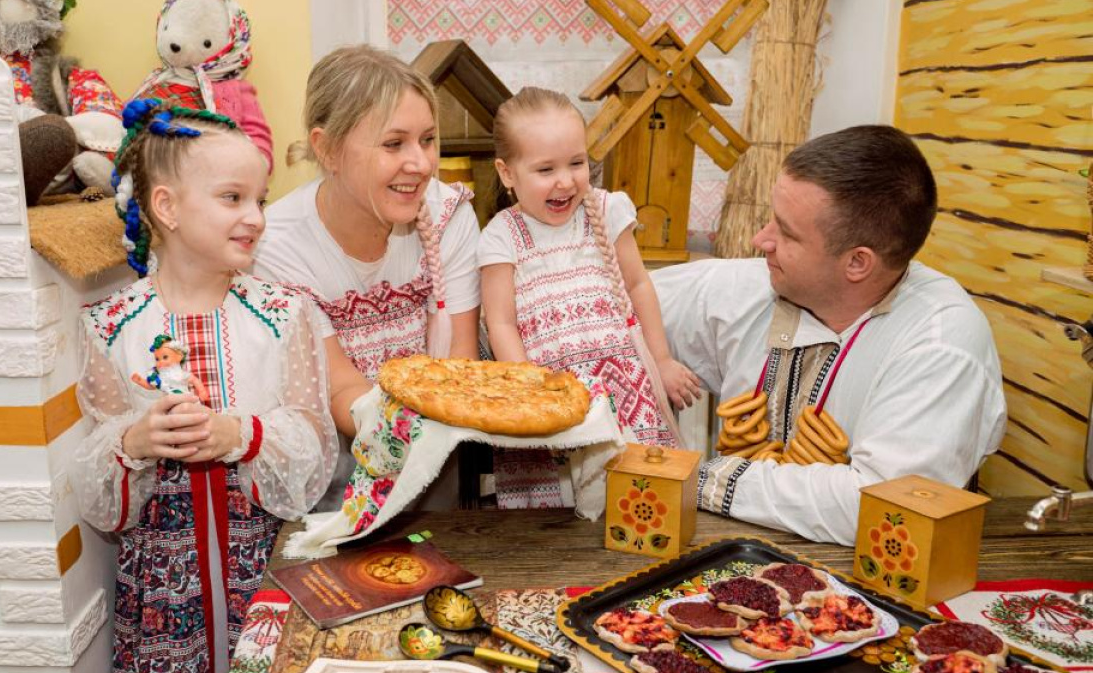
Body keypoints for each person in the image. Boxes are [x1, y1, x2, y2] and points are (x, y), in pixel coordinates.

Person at [72, 99, 338, 673]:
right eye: (232, 198)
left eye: (260, 200)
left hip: (263, 567)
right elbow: (95, 481)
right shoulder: (110, 327)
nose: (256, 217)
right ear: (166, 206)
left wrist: (237, 433)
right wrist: (134, 442)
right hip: (160, 591)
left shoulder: (281, 316)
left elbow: (314, 445)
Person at [654, 124, 1006, 546]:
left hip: (877, 592)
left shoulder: (942, 343)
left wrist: (701, 477)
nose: (760, 239)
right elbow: (617, 307)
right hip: (728, 563)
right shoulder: (755, 285)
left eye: (786, 232)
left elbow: (881, 509)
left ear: (858, 263)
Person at [254, 46, 481, 506]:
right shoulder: (277, 246)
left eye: (428, 140)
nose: (419, 164)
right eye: (393, 144)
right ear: (328, 149)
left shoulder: (449, 215)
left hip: (440, 456)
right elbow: (340, 389)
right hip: (336, 476)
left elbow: (461, 364)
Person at [478, 87, 701, 507]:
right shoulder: (501, 237)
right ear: (508, 174)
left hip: (624, 392)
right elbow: (500, 322)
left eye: (576, 163)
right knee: (558, 519)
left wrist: (662, 359)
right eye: (546, 169)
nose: (566, 181)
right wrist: (530, 393)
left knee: (639, 501)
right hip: (552, 400)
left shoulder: (606, 211)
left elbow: (638, 286)